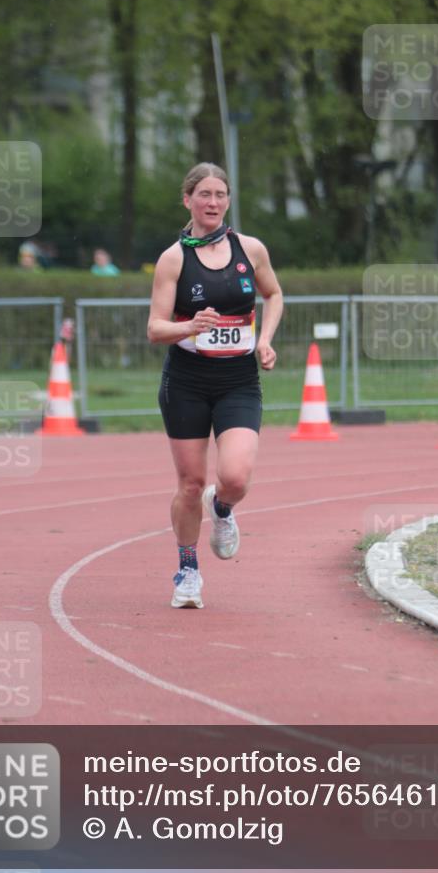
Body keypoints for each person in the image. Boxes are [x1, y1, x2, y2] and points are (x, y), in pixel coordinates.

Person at [147, 162, 283, 609]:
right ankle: (187, 570)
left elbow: (274, 295)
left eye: (220, 195)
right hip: (186, 381)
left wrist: (263, 340)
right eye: (203, 194)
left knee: (236, 477)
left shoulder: (251, 249)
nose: (212, 203)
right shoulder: (173, 259)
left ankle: (222, 509)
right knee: (190, 483)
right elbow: (154, 328)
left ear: (228, 201)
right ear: (187, 200)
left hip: (239, 380)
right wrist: (189, 327)